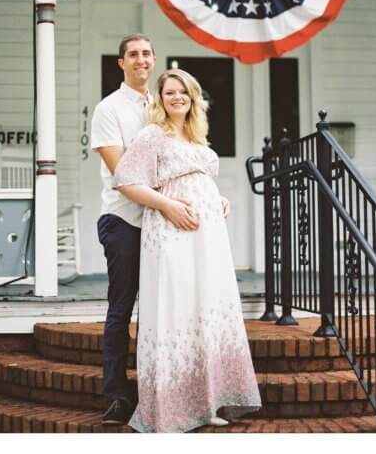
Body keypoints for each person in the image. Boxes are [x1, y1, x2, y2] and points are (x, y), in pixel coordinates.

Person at [114, 69, 261, 432]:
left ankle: (206, 401)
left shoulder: (197, 138)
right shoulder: (152, 136)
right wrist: (167, 205)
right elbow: (126, 182)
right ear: (161, 100)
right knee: (177, 307)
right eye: (169, 93)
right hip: (170, 232)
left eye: (183, 92)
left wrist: (217, 198)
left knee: (205, 307)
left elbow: (199, 179)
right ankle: (172, 407)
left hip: (207, 235)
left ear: (193, 97)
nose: (176, 98)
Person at [90, 33, 174, 426]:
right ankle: (118, 396)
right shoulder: (109, 109)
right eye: (133, 55)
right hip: (124, 221)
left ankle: (162, 390)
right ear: (121, 62)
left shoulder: (166, 105)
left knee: (164, 310)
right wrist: (170, 193)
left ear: (154, 60)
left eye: (146, 53)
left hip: (164, 223)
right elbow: (122, 171)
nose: (141, 60)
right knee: (122, 308)